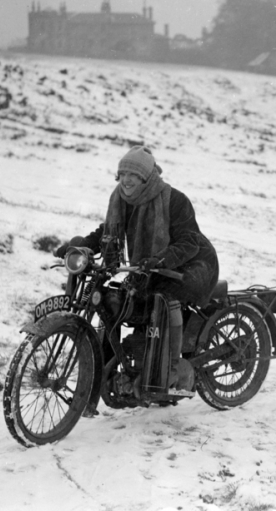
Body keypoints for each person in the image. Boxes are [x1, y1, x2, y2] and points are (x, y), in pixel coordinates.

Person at [54, 145, 219, 386]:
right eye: (123, 173)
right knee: (126, 300)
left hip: (194, 265)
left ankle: (172, 368)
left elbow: (189, 242)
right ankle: (136, 360)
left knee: (163, 297)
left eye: (134, 174)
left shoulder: (174, 199)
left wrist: (159, 260)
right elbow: (108, 231)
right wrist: (81, 248)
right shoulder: (122, 200)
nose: (127, 180)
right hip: (151, 265)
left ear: (147, 177)